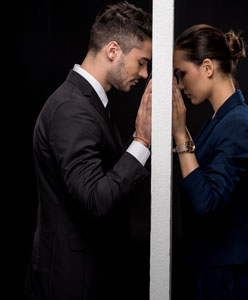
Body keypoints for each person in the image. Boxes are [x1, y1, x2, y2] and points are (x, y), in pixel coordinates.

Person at [24, 2, 152, 300]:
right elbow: (94, 199)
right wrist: (142, 142)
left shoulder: (87, 102)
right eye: (142, 62)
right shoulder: (72, 109)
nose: (144, 74)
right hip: (72, 282)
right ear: (113, 50)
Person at [172, 24, 248, 300]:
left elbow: (207, 202)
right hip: (218, 264)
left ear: (207, 67)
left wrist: (180, 135)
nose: (180, 85)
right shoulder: (222, 118)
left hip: (232, 271)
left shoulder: (237, 123)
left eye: (182, 74)